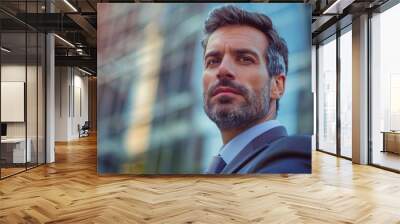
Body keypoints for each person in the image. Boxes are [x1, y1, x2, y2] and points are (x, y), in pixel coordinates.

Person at [202, 5, 311, 174]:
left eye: (245, 59)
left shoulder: (292, 158)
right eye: (213, 61)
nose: (222, 70)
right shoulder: (231, 164)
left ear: (277, 85)